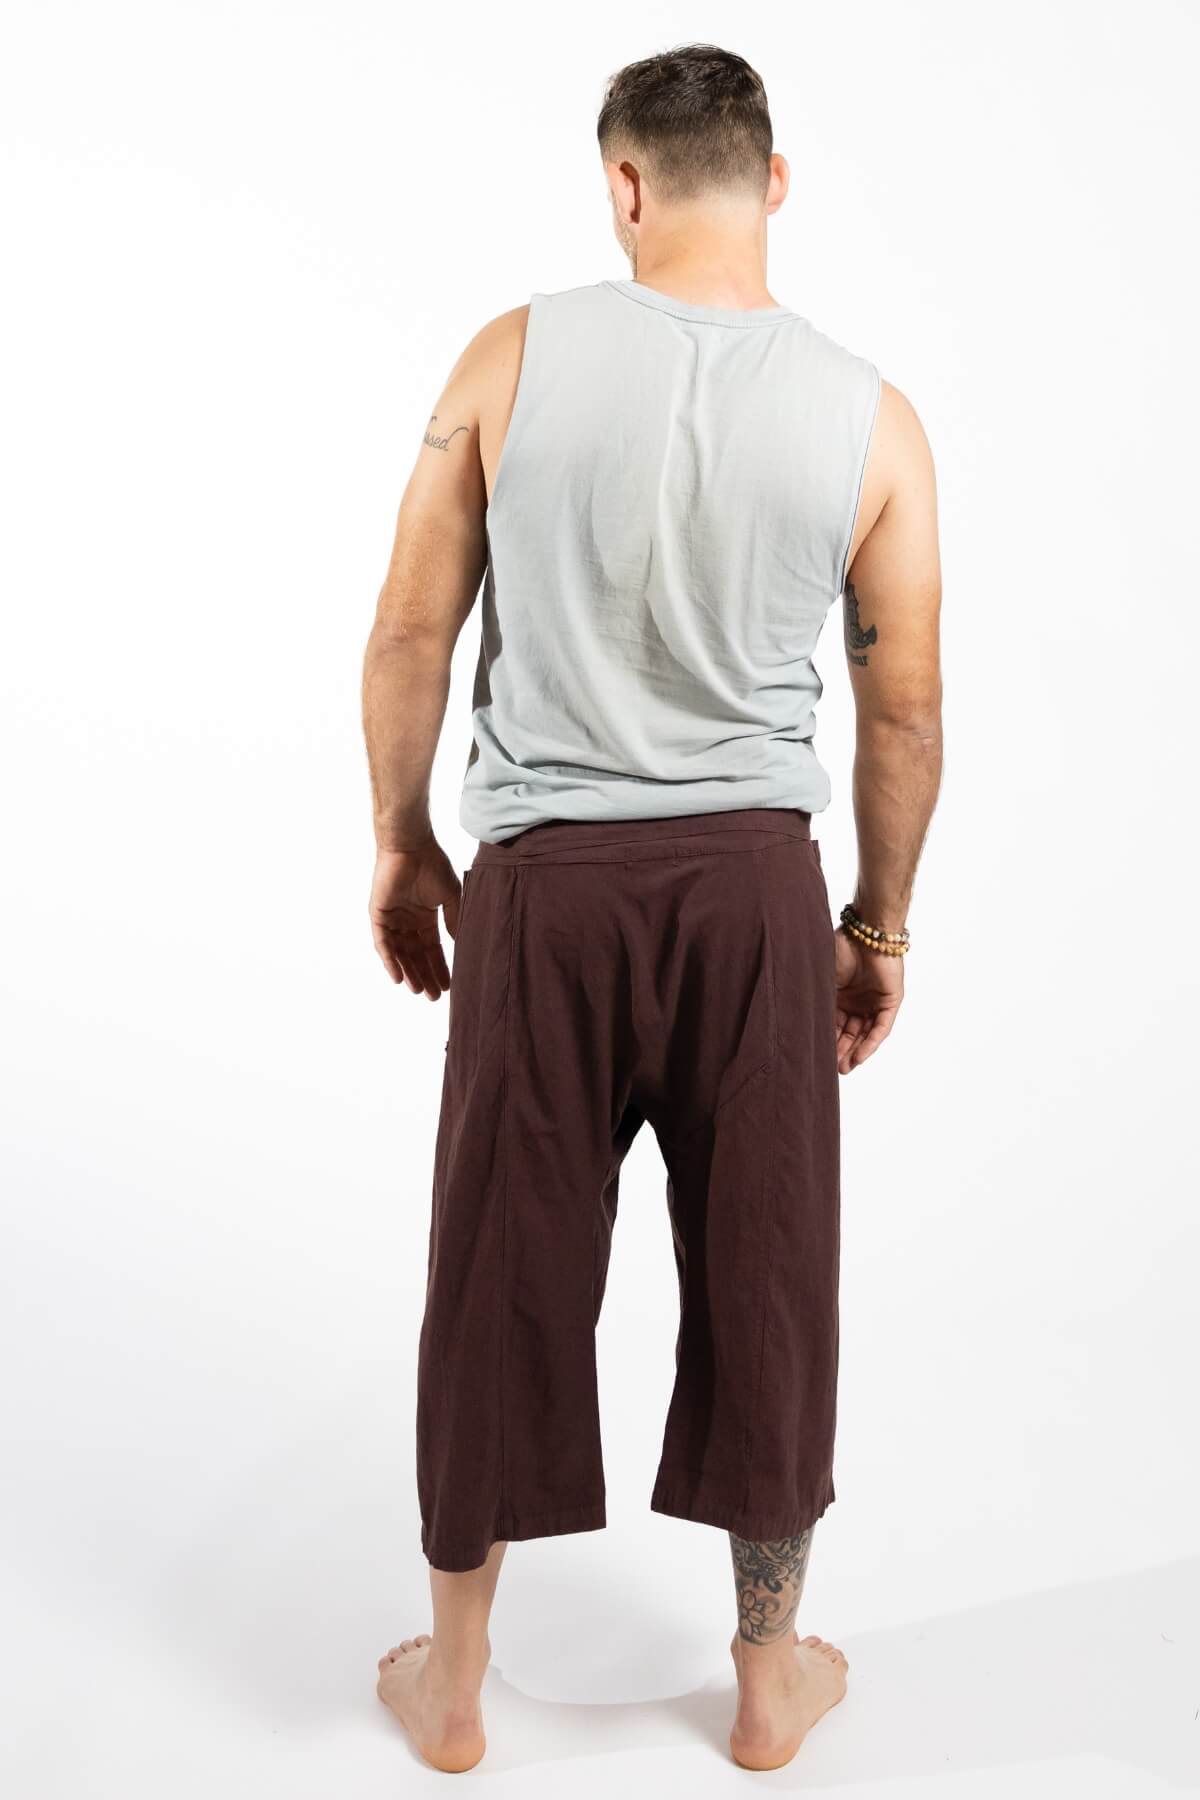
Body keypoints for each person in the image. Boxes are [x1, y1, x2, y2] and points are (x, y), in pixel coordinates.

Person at [361, 42, 942, 1775]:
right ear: (775, 183)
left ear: (624, 183)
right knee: (770, 1273)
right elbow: (904, 714)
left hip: (543, 896)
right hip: (754, 900)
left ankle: (455, 1685)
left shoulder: (510, 359)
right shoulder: (871, 417)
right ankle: (766, 1679)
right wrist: (875, 926)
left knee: (498, 1269)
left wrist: (402, 843)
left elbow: (410, 631)